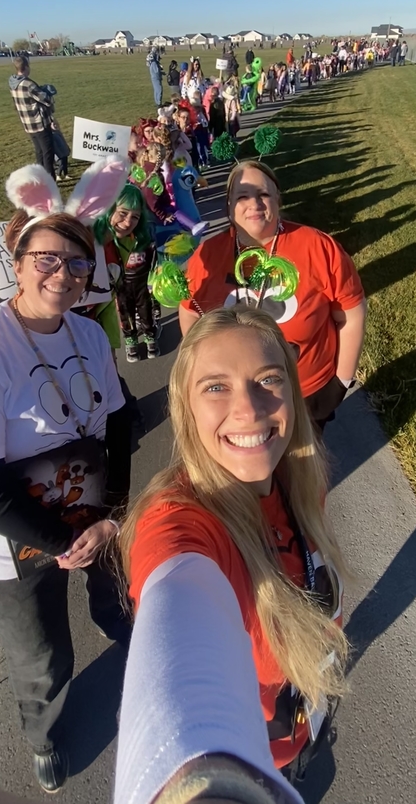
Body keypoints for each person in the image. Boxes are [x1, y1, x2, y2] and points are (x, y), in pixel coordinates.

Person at [0, 159, 132, 794]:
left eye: (76, 263)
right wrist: (65, 539)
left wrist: (109, 512)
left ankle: (112, 620)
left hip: (87, 514)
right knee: (42, 658)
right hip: (13, 541)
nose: (63, 275)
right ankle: (43, 734)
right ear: (17, 260)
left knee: (111, 585)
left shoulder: (88, 334)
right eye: (47, 259)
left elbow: (119, 423)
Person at [120, 308, 348, 782]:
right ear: (185, 406)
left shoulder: (298, 476)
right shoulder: (179, 521)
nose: (249, 408)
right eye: (216, 387)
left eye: (268, 379)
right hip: (250, 768)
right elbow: (174, 618)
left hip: (308, 722)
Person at [179, 160, 366, 429]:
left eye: (263, 194)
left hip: (305, 393)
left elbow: (351, 313)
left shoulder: (318, 247)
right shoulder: (207, 256)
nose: (254, 203)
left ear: (277, 200)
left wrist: (341, 382)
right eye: (242, 196)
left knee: (303, 468)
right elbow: (189, 309)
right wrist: (201, 366)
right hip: (237, 401)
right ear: (229, 207)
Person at [94, 183, 159, 362]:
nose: (128, 222)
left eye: (135, 217)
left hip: (100, 327)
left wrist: (112, 345)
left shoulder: (126, 243)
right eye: (122, 213)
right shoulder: (87, 238)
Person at [8, 55, 56, 179]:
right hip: (39, 123)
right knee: (47, 153)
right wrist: (49, 93)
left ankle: (39, 177)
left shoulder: (13, 83)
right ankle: (50, 180)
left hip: (27, 123)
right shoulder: (28, 84)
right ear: (26, 67)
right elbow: (46, 100)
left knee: (39, 152)